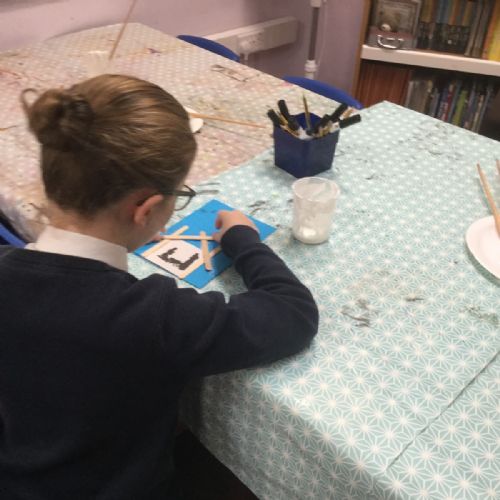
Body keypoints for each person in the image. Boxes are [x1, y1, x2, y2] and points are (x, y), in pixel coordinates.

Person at [0, 74, 318, 499]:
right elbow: (294, 314)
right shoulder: (152, 318)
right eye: (177, 197)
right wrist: (243, 240)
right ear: (146, 209)